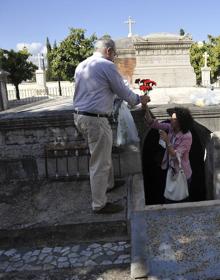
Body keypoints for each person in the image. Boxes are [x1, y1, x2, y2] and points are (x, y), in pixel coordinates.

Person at [73, 38, 149, 214]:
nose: (114, 57)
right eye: (114, 54)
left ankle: (109, 184)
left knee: (102, 154)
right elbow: (122, 91)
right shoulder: (105, 65)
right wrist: (139, 99)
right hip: (95, 119)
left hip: (80, 116)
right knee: (100, 161)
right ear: (108, 51)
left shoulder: (82, 65)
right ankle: (99, 204)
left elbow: (99, 91)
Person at [144, 104, 194, 203]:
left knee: (181, 199)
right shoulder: (171, 128)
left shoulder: (187, 136)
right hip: (170, 170)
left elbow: (175, 155)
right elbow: (153, 124)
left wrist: (167, 141)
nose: (170, 119)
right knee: (169, 197)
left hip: (182, 173)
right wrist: (145, 107)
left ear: (181, 122)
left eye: (174, 119)